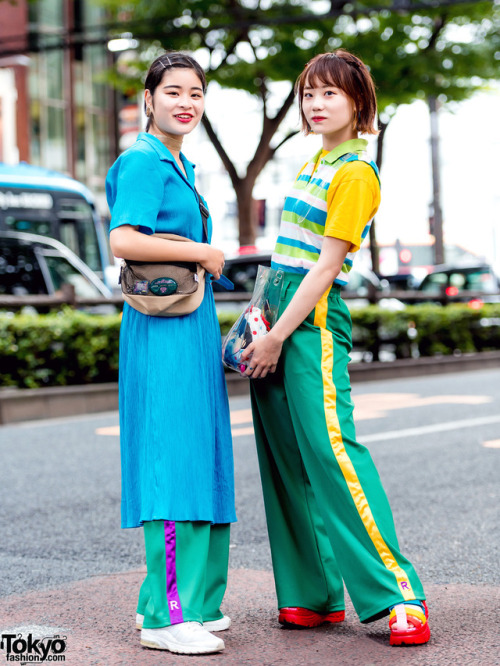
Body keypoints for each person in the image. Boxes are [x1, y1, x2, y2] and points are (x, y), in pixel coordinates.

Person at [241, 50, 430, 647]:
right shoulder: (313, 163)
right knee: (286, 459)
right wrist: (258, 313)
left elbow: (326, 269)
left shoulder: (355, 171)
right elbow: (287, 257)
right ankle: (313, 595)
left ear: (358, 104)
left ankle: (400, 595)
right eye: (309, 94)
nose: (316, 104)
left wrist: (276, 335)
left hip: (312, 324)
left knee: (332, 454)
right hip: (276, 310)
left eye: (329, 94)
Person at [106, 52, 236, 656]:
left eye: (197, 93)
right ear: (149, 99)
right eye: (175, 91)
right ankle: (164, 616)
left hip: (190, 328)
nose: (187, 101)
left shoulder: (180, 163)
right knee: (172, 461)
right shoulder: (142, 160)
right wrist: (202, 253)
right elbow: (122, 239)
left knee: (201, 453)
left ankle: (192, 602)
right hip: (162, 334)